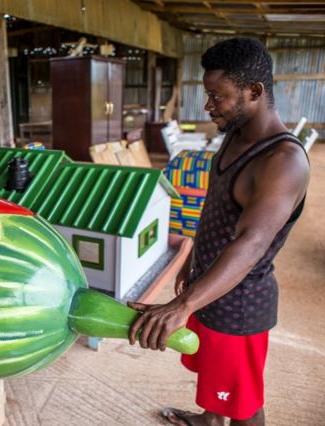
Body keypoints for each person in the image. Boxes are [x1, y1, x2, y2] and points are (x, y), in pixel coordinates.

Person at [127, 38, 310, 426]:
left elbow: (252, 242)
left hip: (238, 306)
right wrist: (192, 259)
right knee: (215, 381)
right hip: (209, 287)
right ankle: (209, 420)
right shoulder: (235, 136)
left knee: (243, 405)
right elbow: (215, 208)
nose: (208, 106)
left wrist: (182, 305)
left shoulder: (282, 162)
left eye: (217, 96)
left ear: (254, 91)